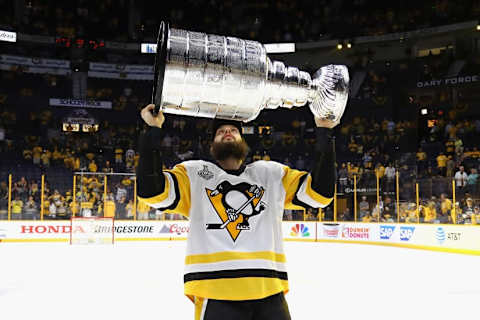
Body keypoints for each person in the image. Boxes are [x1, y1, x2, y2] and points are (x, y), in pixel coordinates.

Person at [137, 104, 337, 320]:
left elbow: (320, 194)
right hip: (215, 291)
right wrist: (153, 129)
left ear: (243, 141)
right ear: (212, 144)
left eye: (233, 130)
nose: (227, 132)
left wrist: (325, 131)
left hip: (269, 290)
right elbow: (151, 191)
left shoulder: (270, 174)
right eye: (220, 131)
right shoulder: (194, 175)